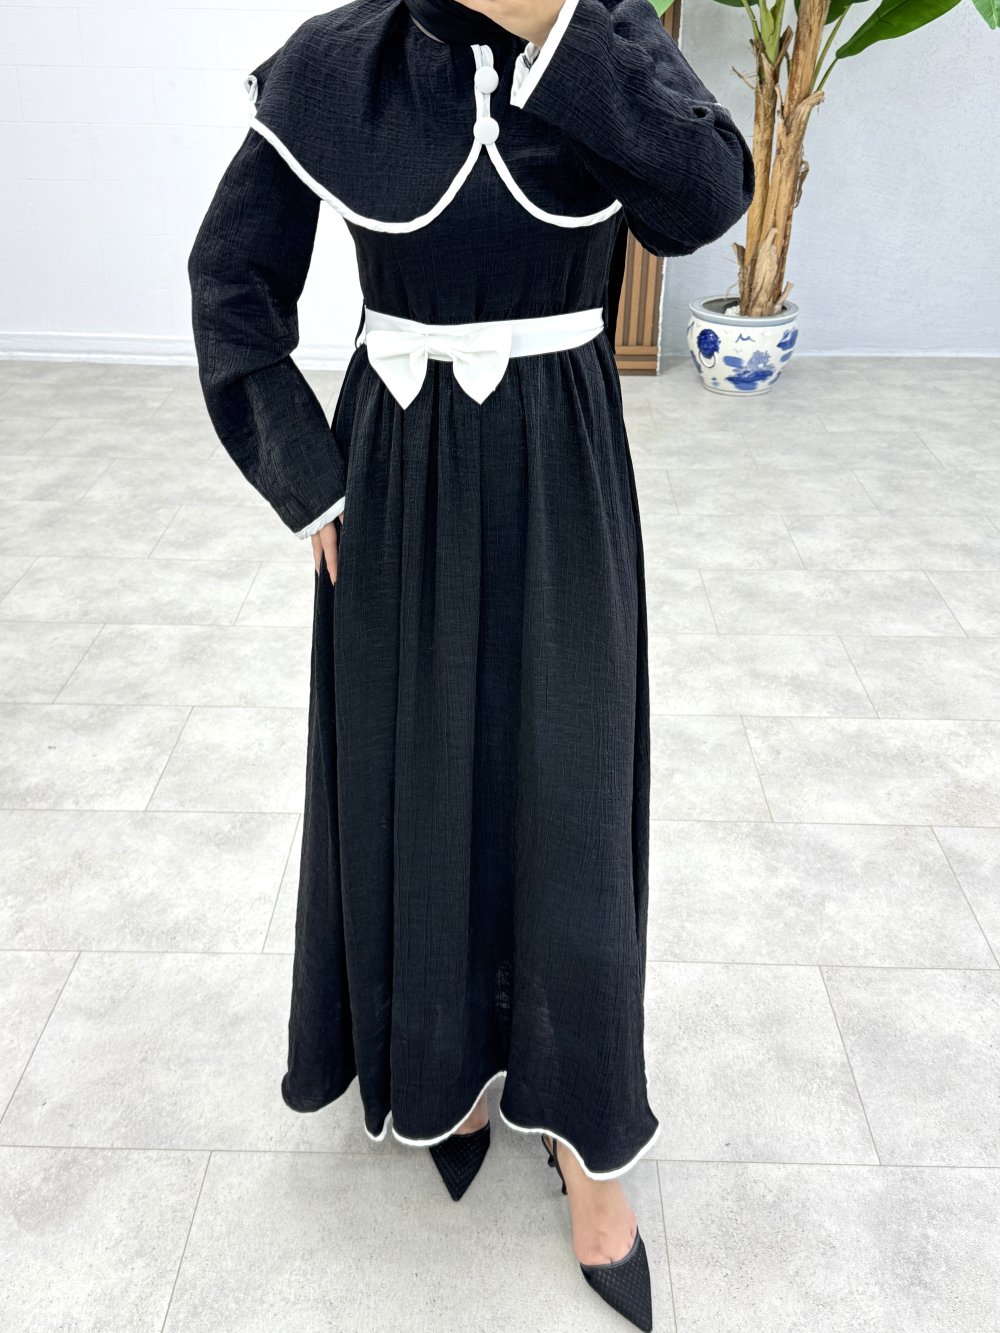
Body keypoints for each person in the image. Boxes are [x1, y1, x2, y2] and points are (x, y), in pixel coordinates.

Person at [188, 0, 753, 1325]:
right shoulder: (339, 66)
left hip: (563, 467)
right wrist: (307, 479)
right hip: (397, 484)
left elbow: (704, 198)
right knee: (424, 778)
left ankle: (588, 1137)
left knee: (569, 792)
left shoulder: (613, 44)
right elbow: (232, 282)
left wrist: (559, 35)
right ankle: (450, 1072)